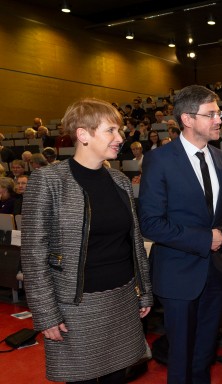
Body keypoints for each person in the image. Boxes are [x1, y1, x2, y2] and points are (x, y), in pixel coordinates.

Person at [21, 98, 153, 383]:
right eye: (111, 131)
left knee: (118, 377)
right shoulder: (48, 181)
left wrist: (145, 290)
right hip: (76, 308)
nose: (120, 138)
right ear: (83, 134)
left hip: (122, 300)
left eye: (120, 131)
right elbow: (33, 254)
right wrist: (46, 313)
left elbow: (133, 241)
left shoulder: (119, 181)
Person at [138, 85, 222, 384]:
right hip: (178, 275)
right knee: (180, 357)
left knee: (204, 355)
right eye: (212, 114)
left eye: (219, 113)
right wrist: (205, 239)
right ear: (187, 119)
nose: (219, 119)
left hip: (215, 272)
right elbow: (151, 223)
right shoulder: (160, 160)